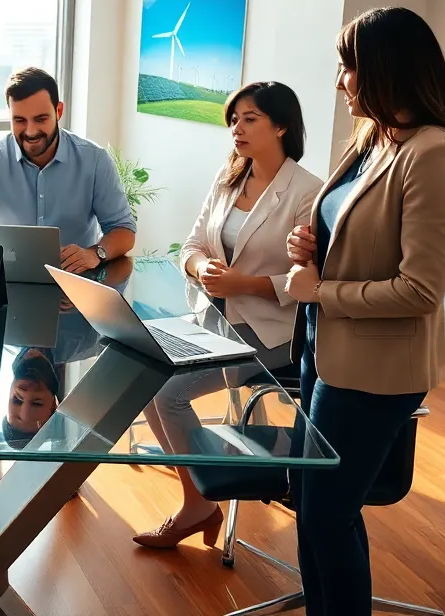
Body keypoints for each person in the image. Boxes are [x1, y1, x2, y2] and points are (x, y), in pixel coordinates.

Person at [283, 7, 445, 615]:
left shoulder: (435, 154)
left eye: (349, 68)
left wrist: (321, 293)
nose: (340, 83)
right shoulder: (375, 139)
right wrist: (311, 242)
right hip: (323, 350)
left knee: (329, 515)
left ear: (385, 70)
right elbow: (349, 229)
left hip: (372, 370)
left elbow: (420, 291)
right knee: (314, 512)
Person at [134, 81, 322, 549]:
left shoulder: (307, 191)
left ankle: (199, 502)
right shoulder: (228, 177)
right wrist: (202, 268)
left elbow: (304, 282)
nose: (237, 128)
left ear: (281, 125)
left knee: (170, 395)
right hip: (210, 316)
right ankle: (197, 498)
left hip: (268, 332)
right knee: (141, 378)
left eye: (250, 119)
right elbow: (192, 245)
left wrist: (241, 284)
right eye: (234, 119)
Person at [0, 67, 136, 273]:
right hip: (13, 280)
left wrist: (95, 252)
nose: (30, 131)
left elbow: (124, 230)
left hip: (79, 281)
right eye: (19, 120)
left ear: (59, 111)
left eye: (40, 119)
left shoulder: (95, 160)